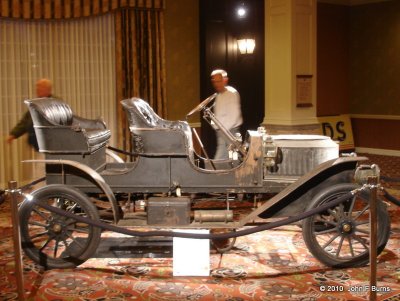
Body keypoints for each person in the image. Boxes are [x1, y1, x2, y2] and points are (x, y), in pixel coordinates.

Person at [6, 78, 54, 151]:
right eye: (37, 87)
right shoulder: (36, 104)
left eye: (40, 87)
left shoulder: (55, 103)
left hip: (50, 144)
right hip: (38, 144)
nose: (37, 89)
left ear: (47, 89)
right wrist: (14, 134)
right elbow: (25, 121)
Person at [210, 69, 243, 160]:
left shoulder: (232, 93)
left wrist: (222, 130)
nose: (216, 84)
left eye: (219, 81)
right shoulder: (218, 95)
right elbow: (217, 115)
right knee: (225, 159)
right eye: (214, 82)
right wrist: (215, 126)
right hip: (221, 132)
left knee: (231, 158)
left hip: (230, 132)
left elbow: (234, 116)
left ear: (225, 80)